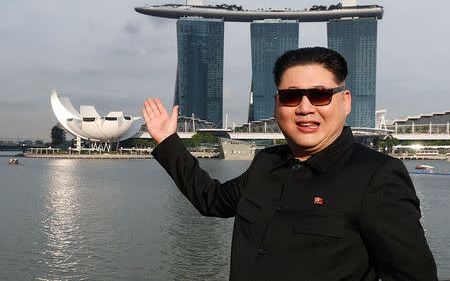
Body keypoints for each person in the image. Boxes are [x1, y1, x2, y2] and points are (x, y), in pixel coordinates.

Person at [142, 47, 437, 281]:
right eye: (291, 96)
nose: (304, 108)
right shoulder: (266, 163)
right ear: (276, 104)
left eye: (320, 95)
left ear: (345, 102)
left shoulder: (376, 177)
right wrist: (168, 142)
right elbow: (212, 200)